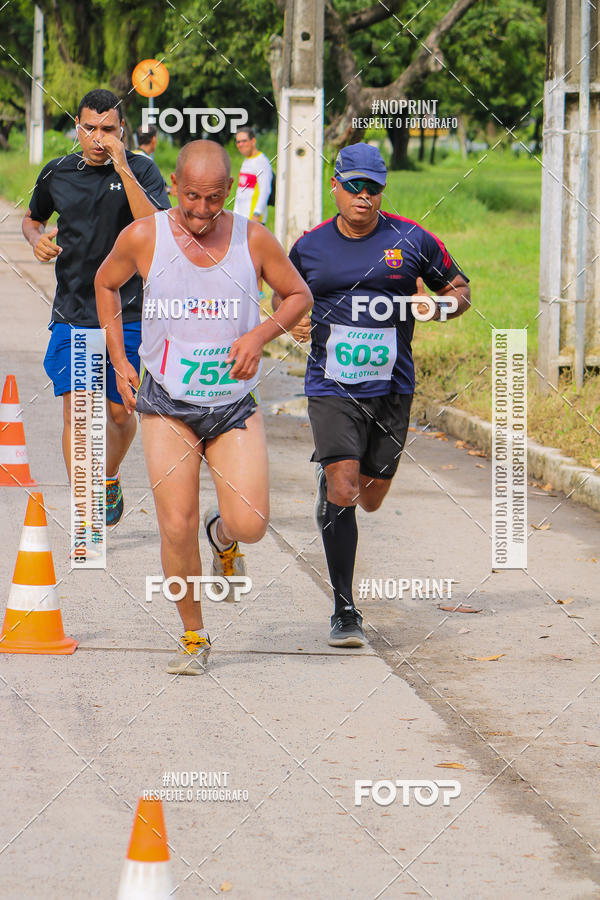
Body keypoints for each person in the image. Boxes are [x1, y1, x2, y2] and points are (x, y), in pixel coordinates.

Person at [95, 139, 312, 674]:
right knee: (175, 523)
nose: (200, 210)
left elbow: (298, 295)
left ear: (229, 190)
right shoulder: (144, 236)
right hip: (166, 401)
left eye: (213, 198)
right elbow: (105, 282)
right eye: (191, 196)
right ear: (173, 186)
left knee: (252, 522)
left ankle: (224, 536)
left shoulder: (252, 238)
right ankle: (194, 635)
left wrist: (259, 336)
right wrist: (120, 358)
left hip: (232, 405)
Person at [277, 143, 471, 648]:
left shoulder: (411, 238)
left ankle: (334, 490)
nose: (364, 197)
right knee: (344, 488)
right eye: (355, 186)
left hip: (393, 386)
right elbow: (283, 291)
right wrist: (292, 316)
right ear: (335, 186)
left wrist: (438, 309)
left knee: (371, 497)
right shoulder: (310, 246)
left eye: (374, 188)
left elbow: (459, 289)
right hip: (330, 385)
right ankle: (345, 608)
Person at [22, 88, 170, 527]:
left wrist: (124, 166)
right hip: (74, 312)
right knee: (78, 409)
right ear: (77, 128)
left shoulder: (142, 169)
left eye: (108, 129)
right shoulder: (57, 173)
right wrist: (37, 240)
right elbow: (33, 218)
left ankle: (107, 476)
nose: (99, 138)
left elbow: (153, 227)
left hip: (128, 312)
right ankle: (85, 509)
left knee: (122, 411)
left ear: (121, 130)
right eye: (90, 128)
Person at [233, 127, 273, 225]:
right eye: (238, 142)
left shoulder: (261, 161)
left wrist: (257, 213)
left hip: (253, 218)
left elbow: (265, 190)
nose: (240, 145)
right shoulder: (246, 161)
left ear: (253, 141)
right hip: (241, 217)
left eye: (244, 141)